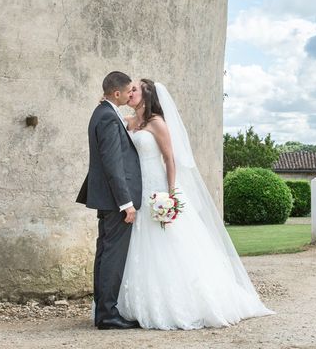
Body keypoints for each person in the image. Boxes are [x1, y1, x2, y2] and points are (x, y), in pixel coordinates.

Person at [116, 78, 274, 330]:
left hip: (158, 189)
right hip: (138, 189)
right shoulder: (129, 121)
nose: (131, 92)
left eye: (135, 89)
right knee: (142, 243)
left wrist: (169, 195)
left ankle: (182, 302)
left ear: (147, 96)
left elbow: (169, 159)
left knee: (172, 243)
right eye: (130, 89)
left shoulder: (157, 123)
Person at [76, 71, 142, 330]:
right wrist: (126, 203)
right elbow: (113, 164)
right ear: (117, 93)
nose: (130, 95)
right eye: (127, 92)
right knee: (112, 255)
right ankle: (107, 314)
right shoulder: (107, 117)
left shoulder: (103, 113)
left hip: (107, 199)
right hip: (116, 202)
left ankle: (103, 312)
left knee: (104, 253)